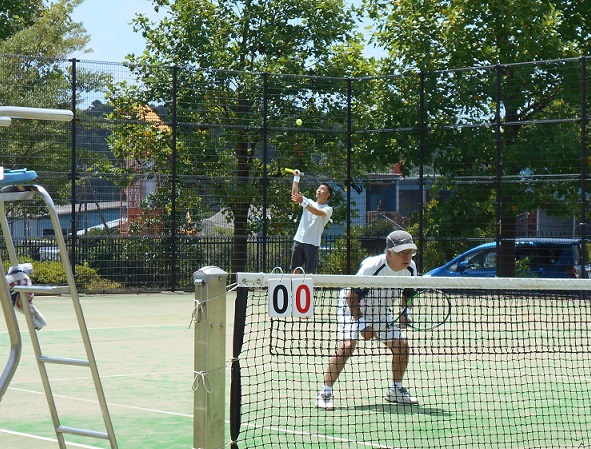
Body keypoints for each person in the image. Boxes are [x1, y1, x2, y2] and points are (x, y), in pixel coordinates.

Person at [315, 230, 419, 409]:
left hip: (381, 309)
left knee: (402, 346)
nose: (407, 257)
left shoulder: (411, 268)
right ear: (389, 253)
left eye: (410, 252)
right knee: (347, 346)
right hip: (353, 306)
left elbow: (408, 293)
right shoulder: (372, 267)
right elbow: (351, 297)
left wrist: (404, 312)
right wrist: (362, 325)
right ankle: (325, 392)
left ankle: (396, 389)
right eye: (402, 252)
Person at [289, 169, 333, 274]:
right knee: (294, 271)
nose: (318, 190)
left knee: (309, 274)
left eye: (322, 189)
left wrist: (303, 202)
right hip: (299, 240)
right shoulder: (309, 202)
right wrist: (296, 178)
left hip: (312, 244)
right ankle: (292, 290)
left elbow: (317, 212)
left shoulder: (328, 209)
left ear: (328, 195)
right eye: (318, 188)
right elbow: (295, 195)